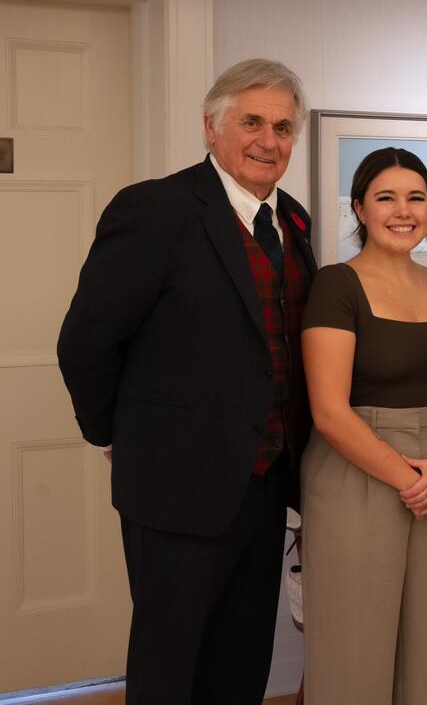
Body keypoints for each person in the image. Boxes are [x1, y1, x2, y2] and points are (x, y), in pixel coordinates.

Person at [57, 59, 315, 705]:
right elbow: (86, 341)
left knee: (242, 665)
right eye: (251, 121)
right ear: (211, 127)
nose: (268, 140)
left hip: (263, 493)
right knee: (169, 672)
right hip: (173, 492)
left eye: (283, 127)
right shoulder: (155, 212)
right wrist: (110, 433)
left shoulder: (296, 225)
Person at [299, 147, 427, 704]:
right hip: (358, 472)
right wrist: (408, 477)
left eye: (416, 198)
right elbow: (329, 412)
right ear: (359, 207)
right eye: (386, 198)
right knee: (354, 650)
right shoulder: (336, 284)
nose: (403, 211)